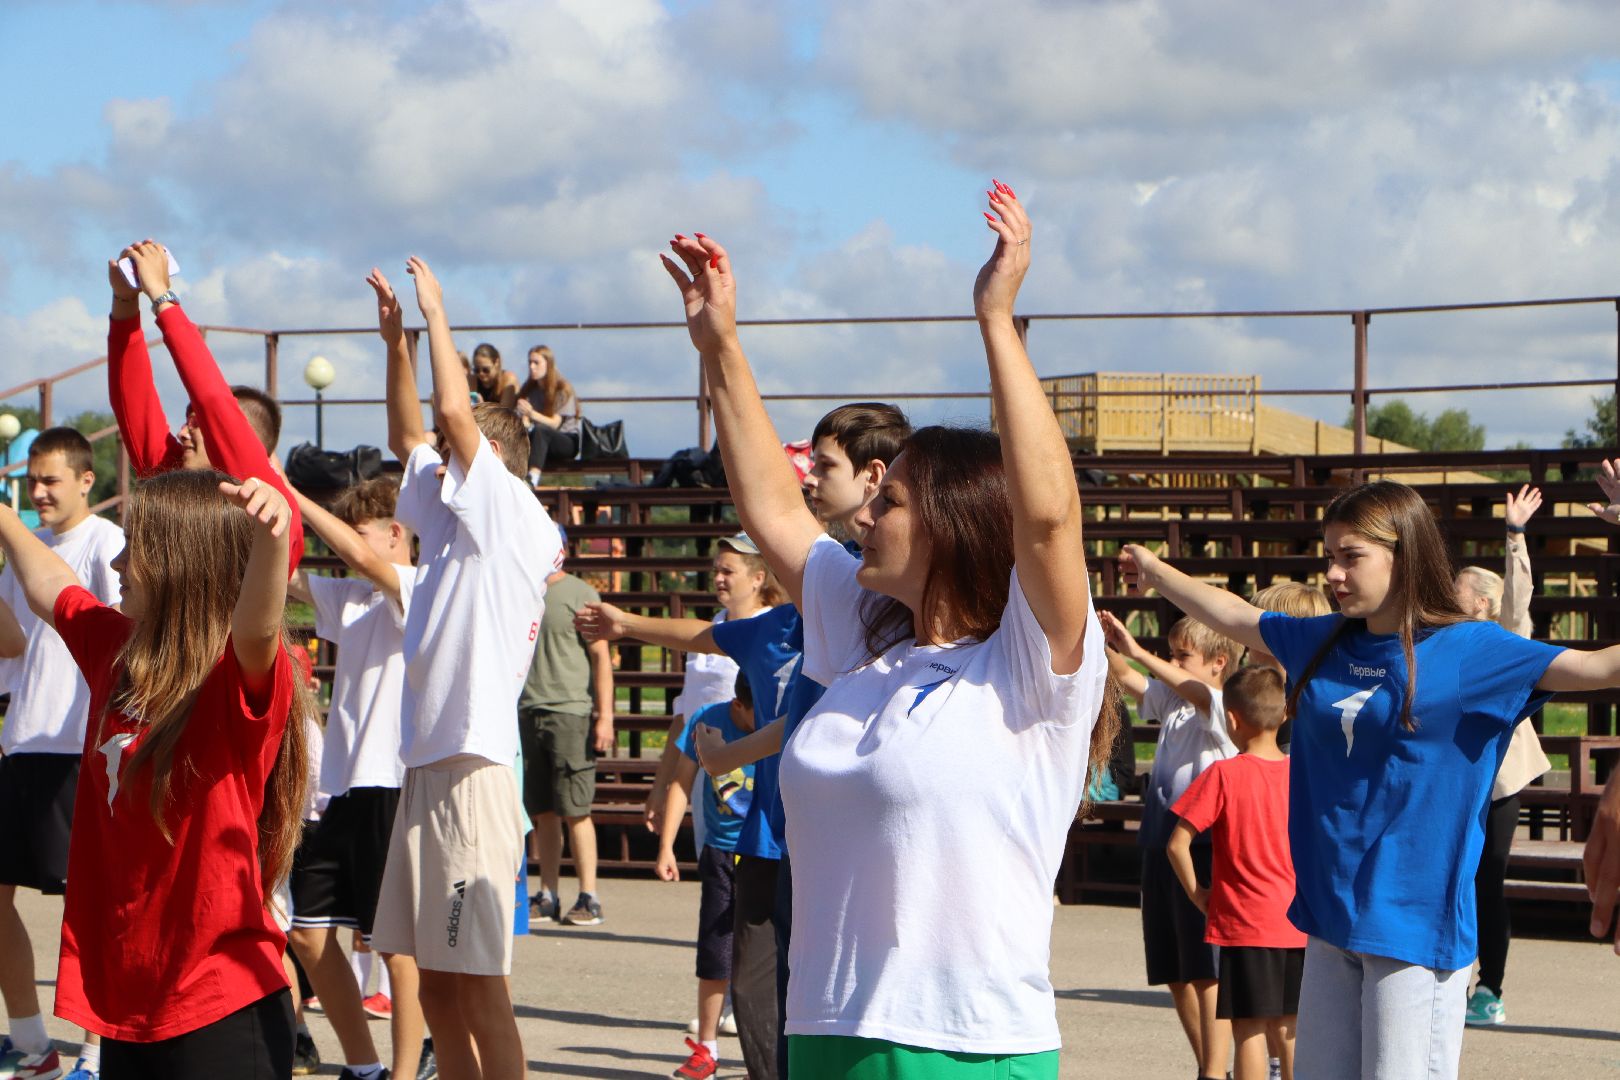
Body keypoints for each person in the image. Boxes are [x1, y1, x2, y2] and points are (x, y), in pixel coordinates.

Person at [660, 182, 1117, 1076]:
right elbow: (773, 511)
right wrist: (722, 347)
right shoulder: (867, 641)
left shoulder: (1030, 668)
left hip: (966, 1048)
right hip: (826, 1032)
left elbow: (1053, 520)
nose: (866, 513)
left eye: (892, 498)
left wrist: (996, 320)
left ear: (954, 524)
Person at [1119, 479, 1620, 1080]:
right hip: (1329, 922)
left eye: (1351, 556)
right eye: (1329, 555)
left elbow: (1602, 666)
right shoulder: (1322, 641)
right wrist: (1154, 568)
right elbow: (1231, 611)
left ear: (1404, 555)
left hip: (1414, 931)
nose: (1332, 573)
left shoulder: (1473, 651)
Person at [0, 467, 309, 1078]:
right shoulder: (116, 652)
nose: (116, 565)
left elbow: (258, 627)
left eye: (134, 549)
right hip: (130, 1000)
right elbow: (51, 586)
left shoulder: (232, 679)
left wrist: (272, 540)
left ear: (181, 563)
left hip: (220, 1002)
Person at [366, 259, 559, 1080]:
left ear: (488, 458)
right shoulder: (447, 520)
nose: (435, 461)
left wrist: (437, 314)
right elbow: (412, 433)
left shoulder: (512, 513)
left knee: (479, 989)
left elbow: (450, 411)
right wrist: (396, 346)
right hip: (427, 764)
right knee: (433, 987)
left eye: (454, 452)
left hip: (475, 770)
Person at [284, 477, 426, 1080]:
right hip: (337, 789)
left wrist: (289, 492)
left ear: (396, 534)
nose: (349, 546)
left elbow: (361, 557)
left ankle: (404, 1070)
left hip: (389, 785)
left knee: (394, 946)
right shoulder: (353, 598)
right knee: (308, 936)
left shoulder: (416, 588)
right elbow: (282, 578)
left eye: (360, 531)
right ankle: (364, 1068)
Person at [0, 429, 123, 1080]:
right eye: (33, 481)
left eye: (52, 480)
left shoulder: (106, 544)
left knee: (90, 909)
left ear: (86, 481)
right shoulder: (23, 551)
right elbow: (14, 647)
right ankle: (31, 1043)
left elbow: (120, 642)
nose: (40, 492)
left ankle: (96, 1052)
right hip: (23, 744)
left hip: (81, 751)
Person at [106, 239, 304, 577]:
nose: (182, 432)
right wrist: (125, 301)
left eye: (197, 425)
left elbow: (212, 399)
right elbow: (134, 404)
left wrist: (162, 296)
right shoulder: (182, 486)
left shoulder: (267, 504)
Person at [1098, 610, 1237, 1080]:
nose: (1171, 662)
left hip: (1202, 844)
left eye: (1183, 656)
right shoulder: (1176, 701)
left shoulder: (1217, 702)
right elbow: (1131, 681)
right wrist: (1108, 643)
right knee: (1173, 967)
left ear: (1219, 662)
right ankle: (1208, 1066)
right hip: (1160, 839)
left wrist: (1140, 653)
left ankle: (1215, 1072)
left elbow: (1195, 691)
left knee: (1207, 968)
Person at [1167, 666, 1304, 1080]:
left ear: (1231, 720)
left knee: (1249, 1028)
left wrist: (1198, 894)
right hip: (1296, 921)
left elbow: (1177, 844)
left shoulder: (1224, 774)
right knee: (1290, 1027)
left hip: (1244, 922)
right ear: (1284, 716)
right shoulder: (1302, 775)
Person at [1455, 484, 1551, 1027]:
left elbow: (1520, 599)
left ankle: (1489, 986)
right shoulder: (1445, 638)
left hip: (1500, 781)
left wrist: (1514, 534)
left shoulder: (1506, 636)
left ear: (1483, 605)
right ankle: (1446, 974)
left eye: (1459, 591)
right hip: (1454, 775)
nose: (1450, 594)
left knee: (1488, 876)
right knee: (1454, 873)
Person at [656, 675, 757, 1080]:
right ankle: (707, 1049)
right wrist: (666, 846)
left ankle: (765, 1054)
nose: (757, 723)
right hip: (720, 851)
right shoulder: (708, 722)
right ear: (738, 704)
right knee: (716, 954)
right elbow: (682, 783)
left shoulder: (779, 716)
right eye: (753, 714)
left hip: (766, 853)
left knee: (764, 960)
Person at [521, 536, 616, 928]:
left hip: (570, 712)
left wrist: (605, 715)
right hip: (528, 710)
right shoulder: (521, 590)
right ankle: (547, 893)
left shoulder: (581, 593)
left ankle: (588, 895)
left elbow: (601, 657)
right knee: (542, 810)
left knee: (576, 808)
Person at [514, 346, 581, 486]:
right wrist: (524, 420)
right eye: (530, 363)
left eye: (536, 363)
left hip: (566, 440)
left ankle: (532, 479)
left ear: (548, 364)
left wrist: (531, 414)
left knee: (541, 431)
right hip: (540, 441)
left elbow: (555, 424)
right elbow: (525, 422)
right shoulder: (529, 390)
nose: (532, 367)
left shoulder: (562, 389)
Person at [470, 344, 520, 409]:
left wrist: (482, 406)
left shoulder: (508, 379)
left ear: (496, 363)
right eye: (476, 370)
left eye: (485, 370)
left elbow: (504, 413)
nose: (481, 373)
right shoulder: (473, 379)